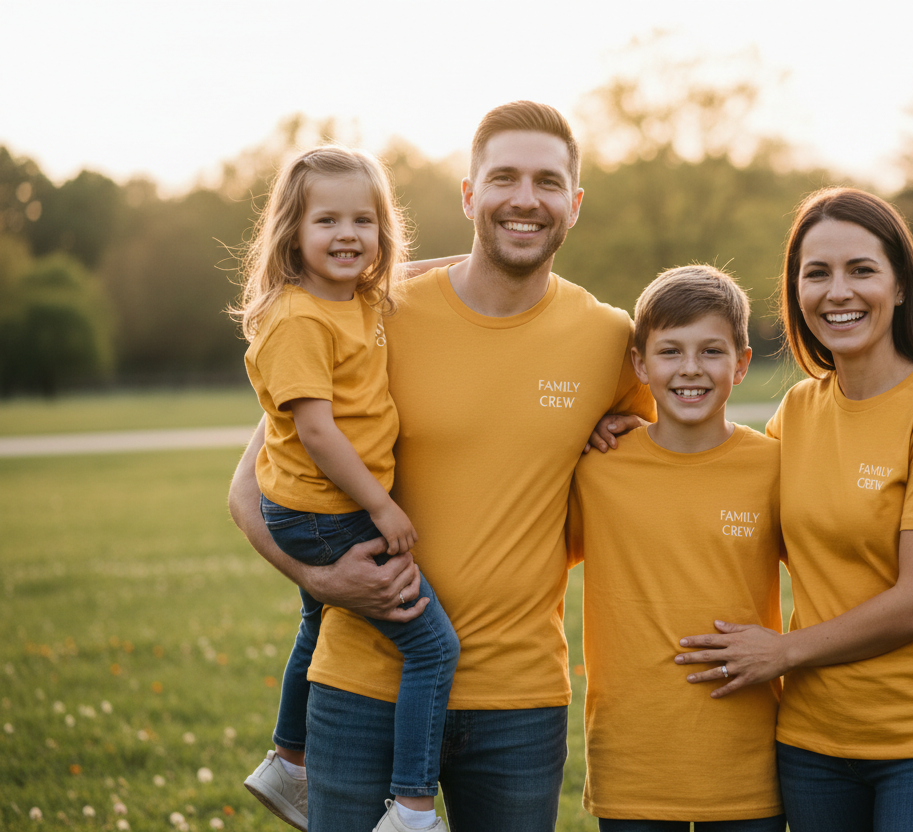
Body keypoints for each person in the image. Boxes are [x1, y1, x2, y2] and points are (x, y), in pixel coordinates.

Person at [228, 101, 655, 832]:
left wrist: (624, 431)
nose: (525, 198)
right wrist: (319, 579)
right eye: (504, 177)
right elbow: (250, 486)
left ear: (574, 204)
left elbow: (659, 458)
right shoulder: (373, 314)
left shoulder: (610, 339)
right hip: (361, 688)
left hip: (518, 705)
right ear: (468, 193)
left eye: (548, 182)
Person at [675, 187, 913, 831]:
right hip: (812, 745)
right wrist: (622, 423)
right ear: (796, 291)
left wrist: (784, 651)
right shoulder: (798, 412)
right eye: (816, 273)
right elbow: (726, 508)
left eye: (861, 270)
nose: (837, 292)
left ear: (902, 285)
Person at [232, 146, 459, 832]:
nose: (348, 234)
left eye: (364, 220)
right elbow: (320, 433)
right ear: (292, 235)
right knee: (433, 648)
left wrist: (465, 266)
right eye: (327, 220)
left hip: (314, 506)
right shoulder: (300, 318)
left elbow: (405, 273)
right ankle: (413, 806)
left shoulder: (353, 297)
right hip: (329, 512)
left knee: (316, 617)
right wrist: (381, 506)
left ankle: (287, 761)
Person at [567, 266, 786, 831]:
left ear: (741, 362)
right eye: (670, 351)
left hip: (746, 761)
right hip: (632, 760)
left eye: (711, 351)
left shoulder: (774, 466)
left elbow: (842, 552)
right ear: (640, 364)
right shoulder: (597, 466)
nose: (691, 369)